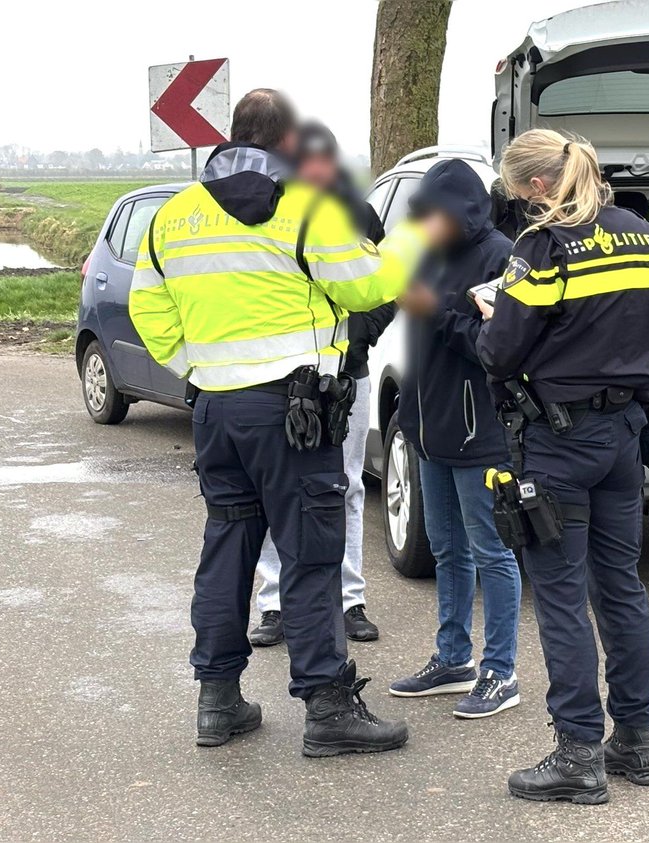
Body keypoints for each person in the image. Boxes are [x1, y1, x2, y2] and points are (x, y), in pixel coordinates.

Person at [129, 89, 443, 754]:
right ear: (286, 143)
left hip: (216, 409)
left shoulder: (173, 216)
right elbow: (365, 287)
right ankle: (328, 707)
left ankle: (218, 701)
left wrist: (205, 368)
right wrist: (414, 234)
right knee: (311, 553)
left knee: (227, 549)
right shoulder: (306, 209)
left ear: (231, 137)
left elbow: (147, 310)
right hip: (294, 412)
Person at [476, 129, 649, 803]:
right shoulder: (641, 235)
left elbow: (501, 353)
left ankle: (578, 754)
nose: (513, 204)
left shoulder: (543, 247)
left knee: (561, 596)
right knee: (619, 586)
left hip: (558, 442)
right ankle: (637, 741)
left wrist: (489, 311)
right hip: (625, 432)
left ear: (538, 186)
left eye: (513, 190)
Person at [248, 120, 395, 648]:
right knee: (275, 492)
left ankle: (350, 600)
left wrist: (359, 338)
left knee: (349, 485)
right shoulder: (268, 214)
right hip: (283, 381)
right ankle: (274, 603)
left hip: (346, 377)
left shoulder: (357, 215)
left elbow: (385, 288)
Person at [389, 159, 522, 719]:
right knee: (446, 549)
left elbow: (500, 344)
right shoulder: (426, 252)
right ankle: (452, 658)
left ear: (465, 211)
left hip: (479, 432)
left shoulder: (502, 256)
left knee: (491, 551)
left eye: (438, 216)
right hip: (428, 427)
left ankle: (501, 672)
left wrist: (435, 310)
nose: (430, 226)